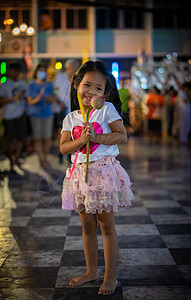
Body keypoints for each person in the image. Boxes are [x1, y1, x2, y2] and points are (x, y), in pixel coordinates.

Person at [60, 61, 134, 295]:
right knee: (87, 226)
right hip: (81, 175)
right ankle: (91, 271)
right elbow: (63, 148)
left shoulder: (106, 110)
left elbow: (122, 136)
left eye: (98, 88)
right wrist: (81, 141)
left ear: (105, 93)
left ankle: (110, 276)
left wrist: (98, 139)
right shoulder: (71, 118)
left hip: (103, 173)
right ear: (76, 85)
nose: (91, 91)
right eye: (87, 85)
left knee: (107, 226)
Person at [25, 63, 56, 167]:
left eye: (43, 70)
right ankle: (41, 158)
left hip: (47, 113)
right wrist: (38, 99)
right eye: (40, 70)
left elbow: (53, 99)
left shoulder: (49, 85)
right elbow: (29, 101)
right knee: (37, 138)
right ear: (36, 72)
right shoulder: (31, 85)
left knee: (47, 138)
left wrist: (50, 99)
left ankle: (45, 158)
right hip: (35, 114)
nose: (41, 73)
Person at [0, 61, 26, 175]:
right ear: (9, 71)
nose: (15, 73)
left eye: (17, 71)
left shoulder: (22, 83)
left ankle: (16, 157)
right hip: (8, 115)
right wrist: (12, 99)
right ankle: (11, 160)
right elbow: (1, 101)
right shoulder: (5, 84)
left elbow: (26, 96)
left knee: (21, 138)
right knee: (10, 139)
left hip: (20, 113)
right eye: (13, 71)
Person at [53, 59, 79, 163]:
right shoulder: (60, 77)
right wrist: (59, 102)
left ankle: (70, 154)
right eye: (69, 67)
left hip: (73, 109)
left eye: (73, 67)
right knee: (61, 131)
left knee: (73, 132)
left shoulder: (78, 78)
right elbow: (54, 91)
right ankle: (60, 152)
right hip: (61, 108)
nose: (71, 69)